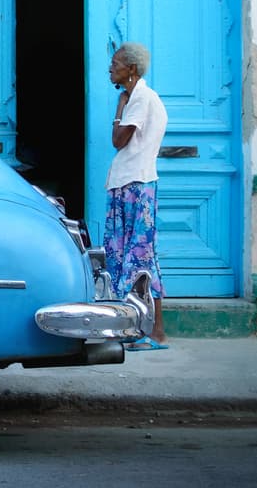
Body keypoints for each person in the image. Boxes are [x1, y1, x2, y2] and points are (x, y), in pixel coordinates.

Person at [105, 41, 169, 350]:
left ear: (131, 69)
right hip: (128, 183)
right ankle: (135, 328)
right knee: (125, 255)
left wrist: (118, 111)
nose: (110, 68)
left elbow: (118, 141)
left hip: (137, 186)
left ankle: (155, 331)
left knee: (141, 257)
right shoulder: (137, 98)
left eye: (115, 64)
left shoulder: (141, 100)